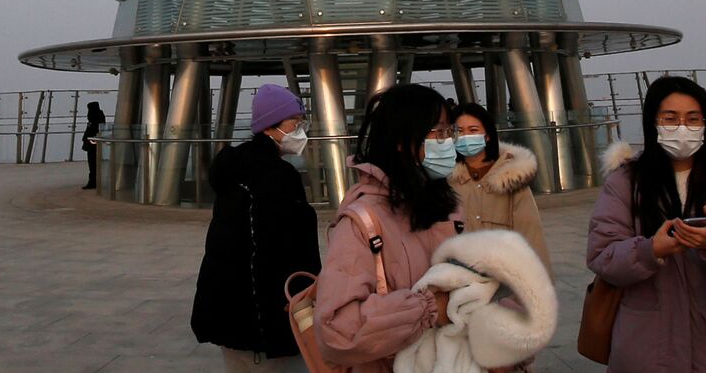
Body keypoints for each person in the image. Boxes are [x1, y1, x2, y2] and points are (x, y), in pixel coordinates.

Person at [586, 76, 706, 371]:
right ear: (653, 122)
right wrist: (649, 250)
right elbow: (602, 256)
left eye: (693, 119)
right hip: (645, 350)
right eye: (670, 118)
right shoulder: (625, 184)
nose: (682, 128)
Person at [314, 84, 464, 373]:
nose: (447, 142)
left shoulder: (449, 205)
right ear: (401, 138)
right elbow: (337, 329)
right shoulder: (362, 221)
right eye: (437, 132)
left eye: (449, 132)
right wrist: (429, 309)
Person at [191, 84, 321, 371]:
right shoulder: (277, 176)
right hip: (266, 318)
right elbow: (290, 246)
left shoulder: (234, 172)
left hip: (229, 313)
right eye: (294, 123)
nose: (300, 130)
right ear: (270, 127)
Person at [448, 102, 552, 269]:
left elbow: (531, 234)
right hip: (459, 280)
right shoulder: (447, 181)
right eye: (459, 131)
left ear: (487, 135)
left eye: (473, 130)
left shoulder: (511, 179)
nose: (465, 137)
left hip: (505, 279)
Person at [81, 101, 105, 189]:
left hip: (93, 145)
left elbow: (92, 131)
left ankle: (93, 182)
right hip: (93, 144)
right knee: (93, 164)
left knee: (93, 164)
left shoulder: (94, 119)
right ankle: (94, 181)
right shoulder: (98, 117)